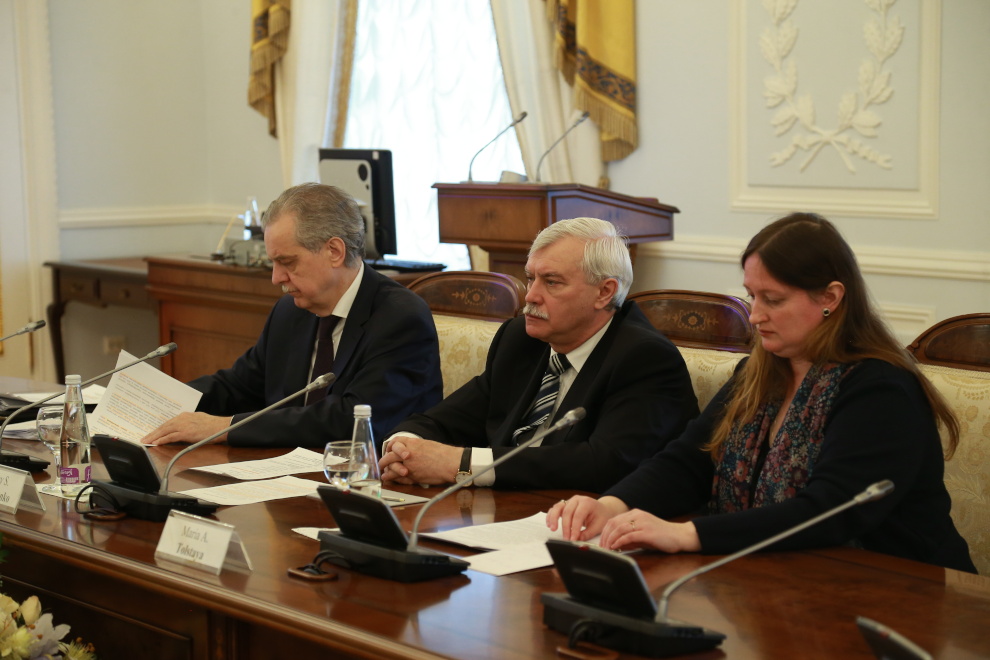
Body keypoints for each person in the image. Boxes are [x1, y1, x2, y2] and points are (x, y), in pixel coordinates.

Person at [548, 213, 975, 572]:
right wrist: (613, 505)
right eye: (752, 296)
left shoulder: (881, 389)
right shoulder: (759, 371)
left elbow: (829, 511)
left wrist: (688, 534)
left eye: (773, 299)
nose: (754, 316)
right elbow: (689, 461)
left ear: (830, 297)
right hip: (773, 576)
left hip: (897, 587)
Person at [378, 217, 699, 492]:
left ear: (605, 292)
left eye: (552, 282)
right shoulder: (521, 339)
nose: (531, 296)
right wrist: (404, 449)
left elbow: (605, 463)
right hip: (507, 509)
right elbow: (442, 420)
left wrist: (462, 464)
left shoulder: (644, 358)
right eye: (531, 278)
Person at [142, 183, 443, 448]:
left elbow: (351, 421)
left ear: (334, 251)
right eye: (273, 263)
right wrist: (157, 401)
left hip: (368, 478)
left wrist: (224, 427)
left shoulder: (400, 318)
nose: (276, 278)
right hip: (284, 468)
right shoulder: (291, 311)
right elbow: (239, 386)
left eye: (287, 262)